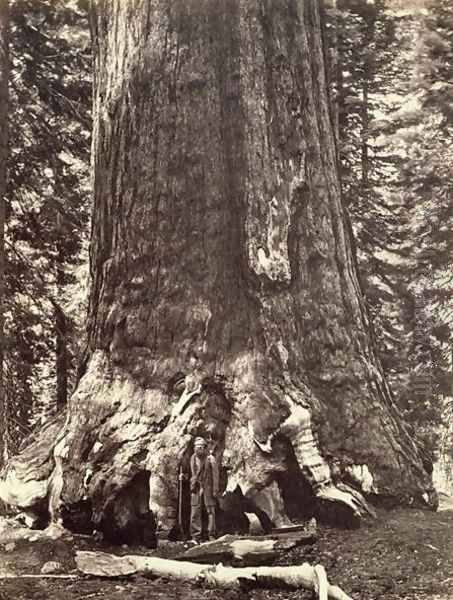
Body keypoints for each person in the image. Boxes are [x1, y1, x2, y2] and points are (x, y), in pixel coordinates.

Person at [190, 437, 219, 542]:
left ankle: (211, 534)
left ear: (204, 447)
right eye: (197, 447)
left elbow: (216, 475)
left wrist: (215, 489)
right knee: (195, 512)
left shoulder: (210, 459)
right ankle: (195, 536)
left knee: (210, 511)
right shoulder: (192, 458)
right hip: (196, 488)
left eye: (201, 446)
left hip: (208, 488)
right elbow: (190, 472)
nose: (199, 449)